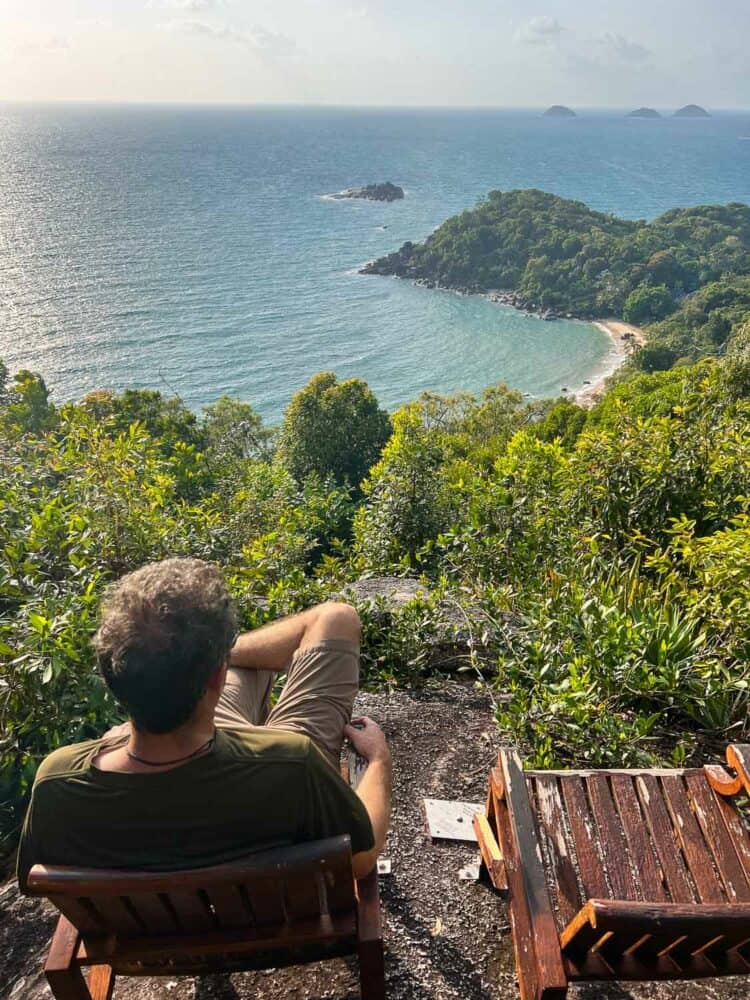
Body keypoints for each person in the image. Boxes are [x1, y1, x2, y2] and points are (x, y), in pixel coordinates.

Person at [17, 558, 391, 890]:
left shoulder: (58, 782)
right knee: (336, 618)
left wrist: (110, 743)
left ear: (113, 680)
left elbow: (38, 880)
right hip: (278, 907)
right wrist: (378, 762)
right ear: (216, 678)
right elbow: (360, 858)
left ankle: (190, 657)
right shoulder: (293, 763)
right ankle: (200, 655)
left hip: (149, 939)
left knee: (253, 660)